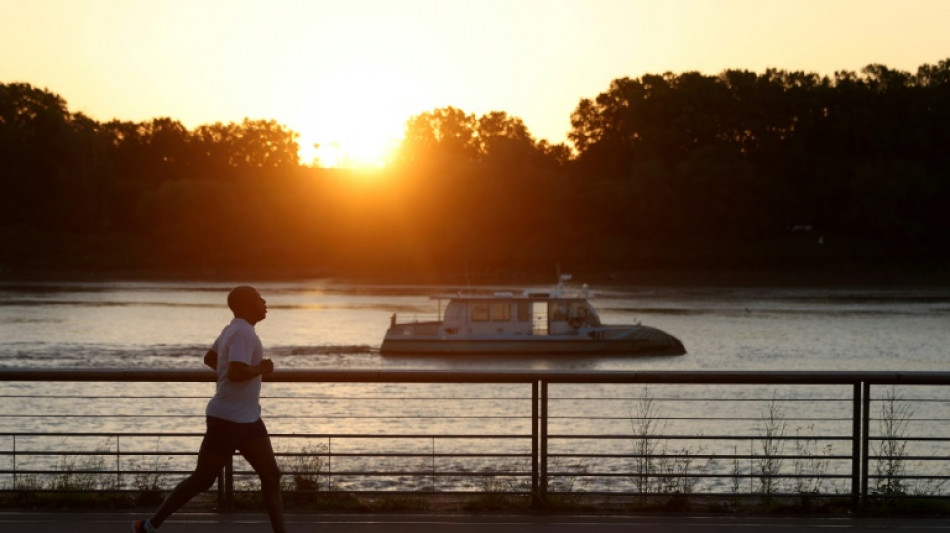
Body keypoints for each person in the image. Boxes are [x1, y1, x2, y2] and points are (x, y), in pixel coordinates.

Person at [133, 285, 287, 533]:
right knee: (203, 479)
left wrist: (227, 371)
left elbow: (210, 358)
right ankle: (149, 525)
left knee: (271, 476)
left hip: (247, 417)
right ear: (247, 304)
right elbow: (237, 371)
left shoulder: (232, 329)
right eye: (259, 299)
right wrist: (261, 368)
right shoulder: (242, 334)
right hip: (228, 419)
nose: (265, 302)